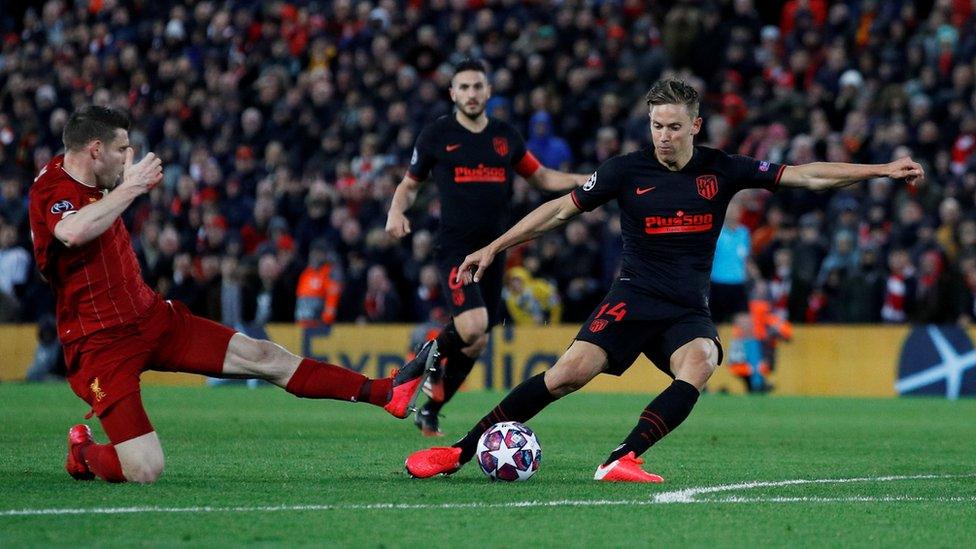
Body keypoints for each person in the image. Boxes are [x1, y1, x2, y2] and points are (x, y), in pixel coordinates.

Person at [404, 78, 924, 482]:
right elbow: (559, 211)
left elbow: (806, 174)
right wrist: (494, 248)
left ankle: (621, 457)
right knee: (566, 376)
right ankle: (459, 450)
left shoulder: (723, 169)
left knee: (702, 362)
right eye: (656, 126)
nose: (664, 136)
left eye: (674, 126)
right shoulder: (625, 171)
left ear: (695, 126)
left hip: (685, 307)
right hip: (633, 296)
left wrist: (881, 169)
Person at [28, 106, 438, 484]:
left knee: (265, 356)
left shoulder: (99, 181)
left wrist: (124, 186)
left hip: (152, 318)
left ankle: (385, 392)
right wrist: (131, 188)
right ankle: (83, 452)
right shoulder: (52, 188)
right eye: (121, 149)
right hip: (100, 344)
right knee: (145, 470)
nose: (128, 157)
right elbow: (72, 231)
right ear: (95, 149)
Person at [385, 59, 587, 437]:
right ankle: (415, 368)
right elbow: (410, 184)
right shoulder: (436, 135)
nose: (472, 94)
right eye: (464, 88)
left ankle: (431, 409)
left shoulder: (505, 137)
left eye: (478, 87)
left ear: (488, 92)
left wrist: (587, 180)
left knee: (476, 342)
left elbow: (541, 177)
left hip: (495, 250)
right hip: (456, 249)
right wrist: (396, 210)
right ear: (453, 94)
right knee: (473, 325)